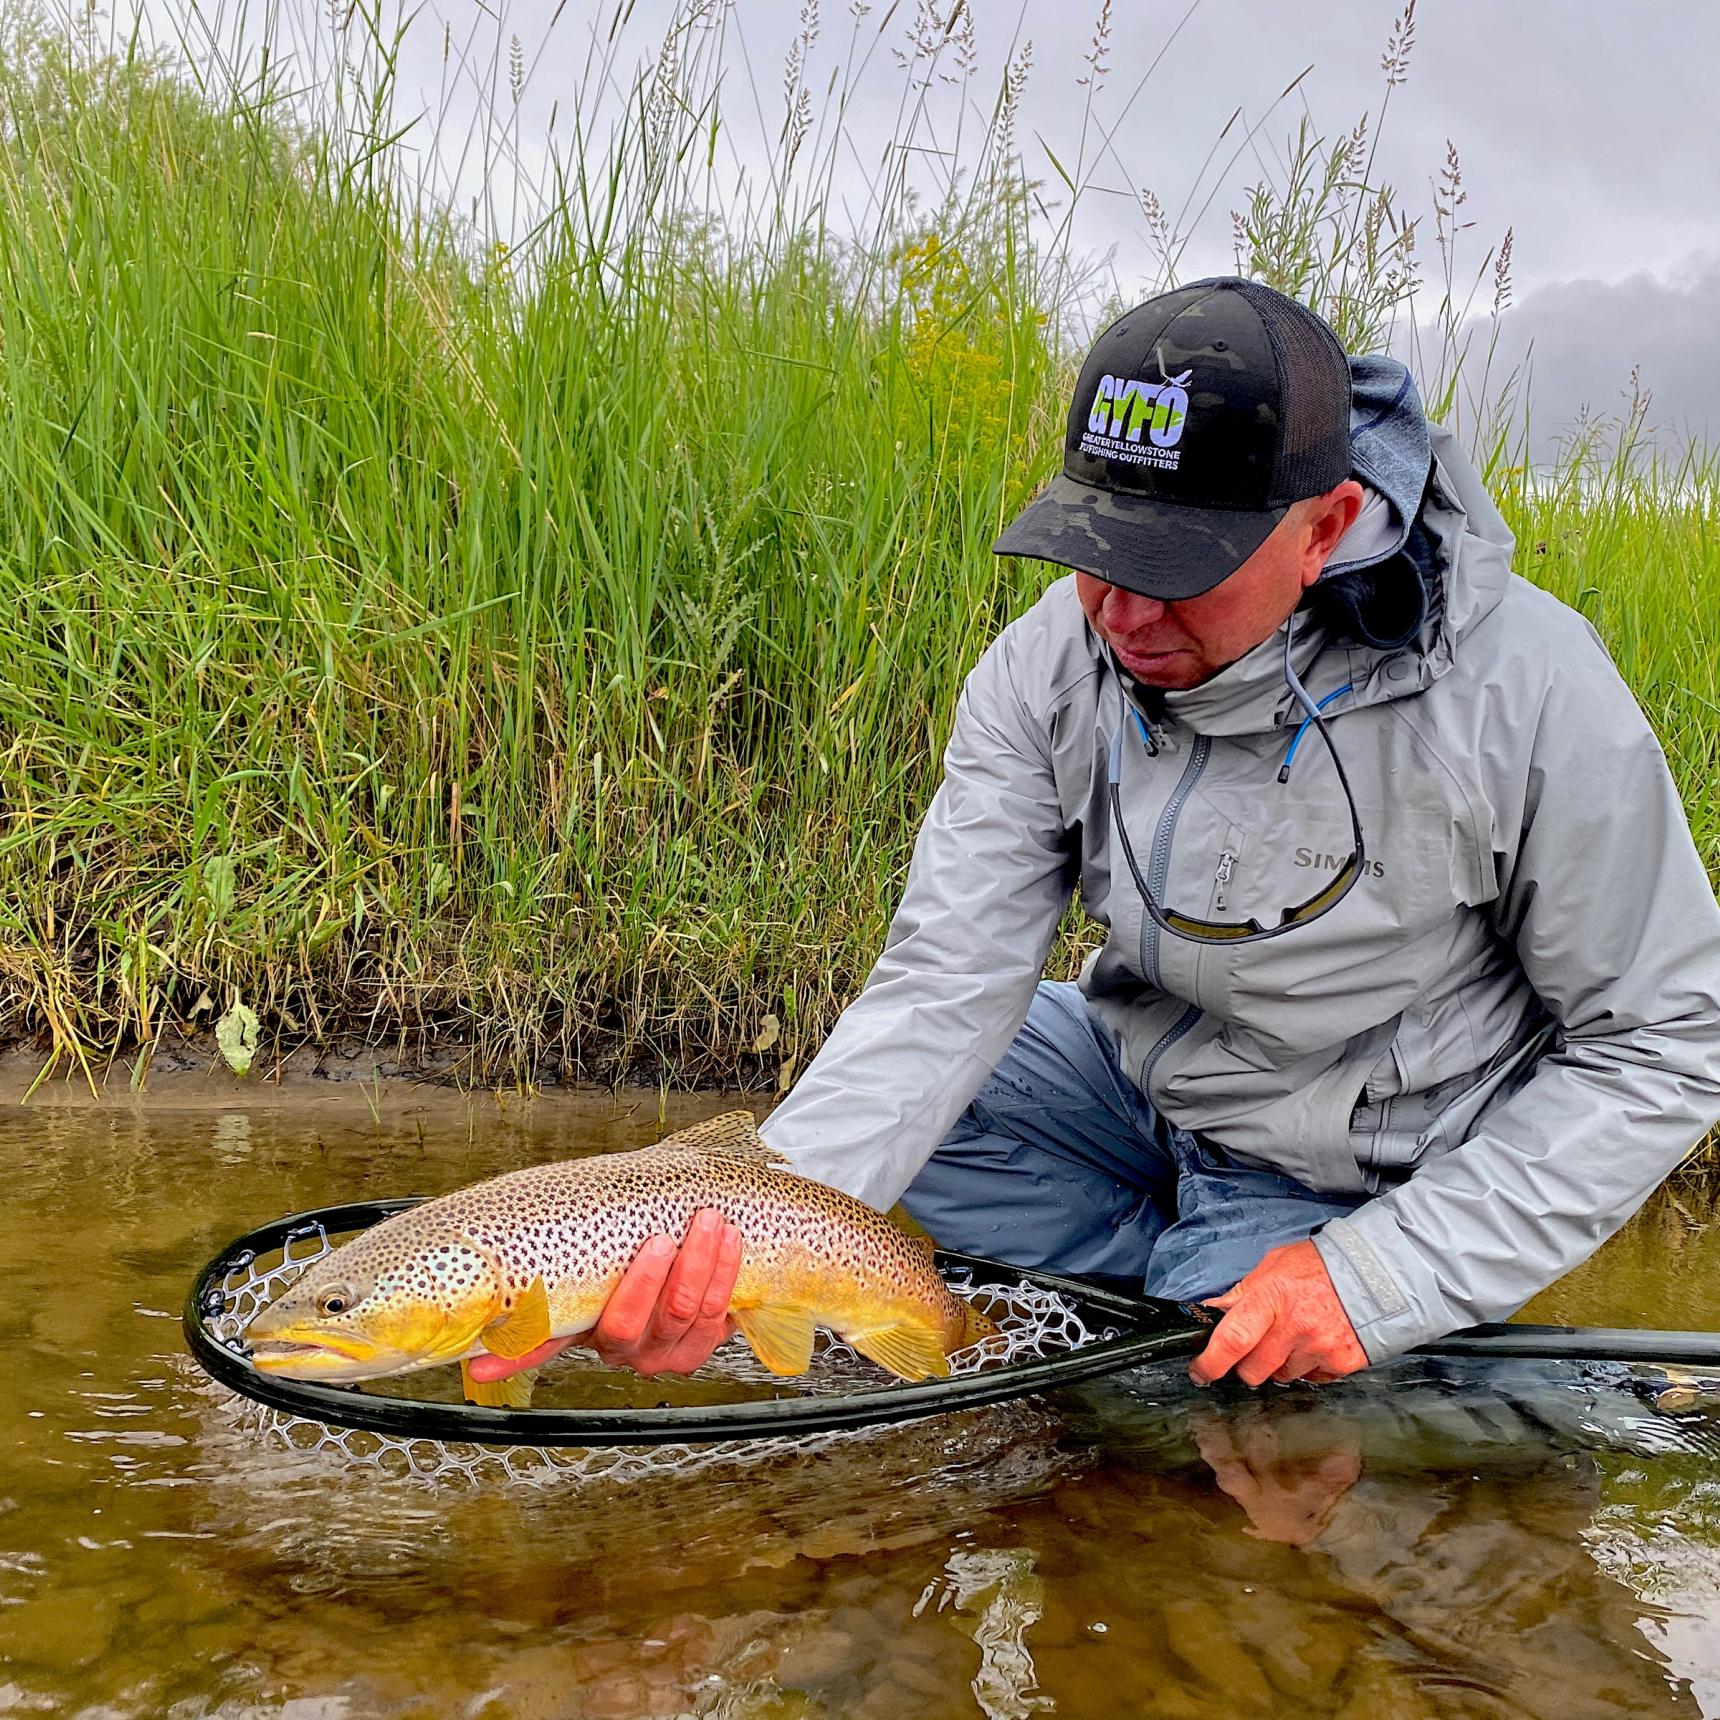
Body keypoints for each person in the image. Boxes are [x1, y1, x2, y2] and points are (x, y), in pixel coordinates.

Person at [469, 278, 1720, 1398]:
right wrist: (742, 1242)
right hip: (1131, 1090)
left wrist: (1376, 1276)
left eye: (1173, 565)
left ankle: (1317, 1330)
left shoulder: (1525, 692)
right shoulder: (1049, 666)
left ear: (1325, 523)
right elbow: (942, 989)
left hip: (1365, 1167)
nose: (1114, 610)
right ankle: (1179, 1289)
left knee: (1214, 1446)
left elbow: (1671, 1038)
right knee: (872, 1147)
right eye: (1090, 550)